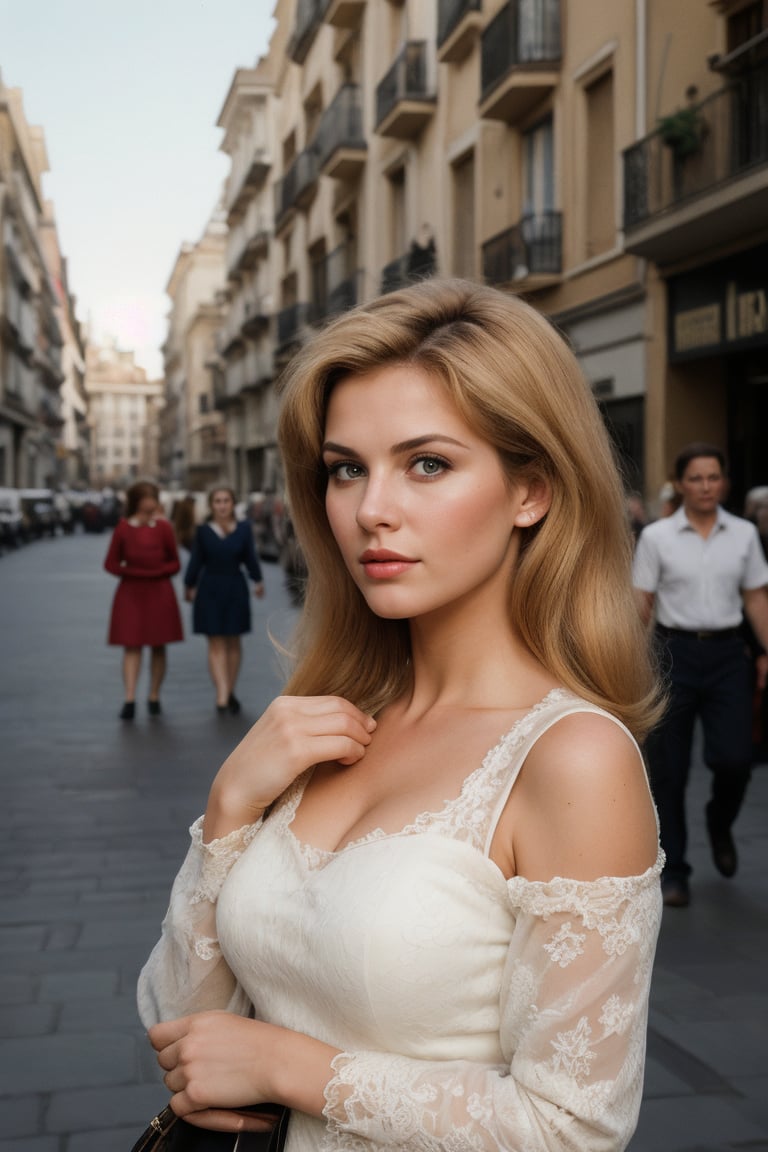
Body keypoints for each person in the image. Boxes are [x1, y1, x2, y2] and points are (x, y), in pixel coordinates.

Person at [138, 279, 664, 1151]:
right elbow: (179, 1029)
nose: (370, 510)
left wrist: (289, 1067)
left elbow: (573, 1128)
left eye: (427, 464)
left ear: (530, 491)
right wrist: (227, 810)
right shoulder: (326, 718)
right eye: (347, 468)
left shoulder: (571, 760)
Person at [633, 444, 768, 908]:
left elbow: (756, 597)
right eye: (697, 478)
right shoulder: (656, 538)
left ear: (724, 483)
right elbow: (641, 602)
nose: (706, 486)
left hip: (730, 654)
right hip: (674, 654)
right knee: (668, 771)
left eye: (714, 477)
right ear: (681, 484)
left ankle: (719, 822)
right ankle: (676, 873)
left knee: (734, 760)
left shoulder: (745, 535)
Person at [104, 480, 183, 720]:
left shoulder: (164, 528)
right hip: (131, 594)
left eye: (155, 498)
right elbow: (110, 563)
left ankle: (154, 695)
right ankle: (129, 698)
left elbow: (175, 563)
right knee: (132, 645)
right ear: (138, 501)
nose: (153, 503)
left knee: (159, 645)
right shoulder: (124, 528)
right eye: (149, 498)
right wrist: (136, 573)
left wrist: (157, 572)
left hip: (159, 592)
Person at [184, 486, 265, 714]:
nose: (222, 505)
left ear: (232, 503)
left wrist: (257, 580)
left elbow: (250, 557)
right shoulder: (203, 531)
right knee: (216, 643)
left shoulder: (243, 529)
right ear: (211, 505)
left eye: (226, 500)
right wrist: (189, 584)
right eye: (217, 501)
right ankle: (222, 695)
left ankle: (230, 690)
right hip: (209, 588)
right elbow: (196, 560)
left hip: (235, 587)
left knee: (234, 641)